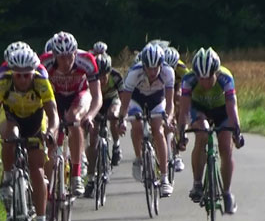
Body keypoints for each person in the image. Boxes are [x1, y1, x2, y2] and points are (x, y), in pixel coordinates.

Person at [0, 47, 59, 221]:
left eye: (27, 75)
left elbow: (53, 114)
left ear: (33, 72)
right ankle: (8, 176)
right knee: (10, 135)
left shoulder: (41, 82)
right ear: (11, 73)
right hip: (13, 120)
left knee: (37, 170)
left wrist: (50, 133)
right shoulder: (3, 83)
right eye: (19, 75)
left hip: (36, 123)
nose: (23, 80)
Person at [178, 47, 243, 214]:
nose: (205, 83)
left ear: (216, 72)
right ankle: (197, 183)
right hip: (199, 109)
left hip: (222, 110)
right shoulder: (188, 79)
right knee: (201, 134)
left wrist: (237, 130)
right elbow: (184, 110)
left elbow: (232, 107)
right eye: (201, 79)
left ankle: (227, 193)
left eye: (209, 78)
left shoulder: (226, 77)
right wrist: (181, 133)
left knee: (225, 148)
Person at [39, 31, 102, 196]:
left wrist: (89, 116)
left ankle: (76, 174)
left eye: (69, 56)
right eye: (61, 58)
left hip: (79, 95)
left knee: (74, 119)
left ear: (75, 52)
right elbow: (39, 96)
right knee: (53, 139)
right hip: (56, 97)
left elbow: (97, 96)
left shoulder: (87, 60)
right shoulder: (44, 63)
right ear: (54, 55)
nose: (66, 62)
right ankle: (49, 192)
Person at [117, 43, 175, 196]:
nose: (152, 71)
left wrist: (168, 119)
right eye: (149, 68)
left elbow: (170, 103)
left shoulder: (168, 72)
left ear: (161, 65)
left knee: (158, 129)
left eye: (156, 68)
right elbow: (125, 103)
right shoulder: (134, 73)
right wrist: (122, 120)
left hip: (157, 99)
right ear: (143, 65)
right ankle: (138, 159)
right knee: (136, 124)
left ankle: (164, 178)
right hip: (137, 99)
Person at [84, 53, 124, 198]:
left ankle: (116, 146)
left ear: (109, 72)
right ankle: (90, 179)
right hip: (96, 103)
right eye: (98, 76)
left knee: (113, 115)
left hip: (112, 100)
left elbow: (123, 98)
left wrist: (122, 119)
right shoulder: (90, 79)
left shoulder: (116, 77)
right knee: (93, 139)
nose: (101, 79)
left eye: (104, 76)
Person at [163, 46, 188, 172]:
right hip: (163, 87)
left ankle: (179, 134)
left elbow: (189, 84)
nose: (170, 69)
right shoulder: (159, 66)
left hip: (176, 85)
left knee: (179, 98)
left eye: (173, 67)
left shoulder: (182, 68)